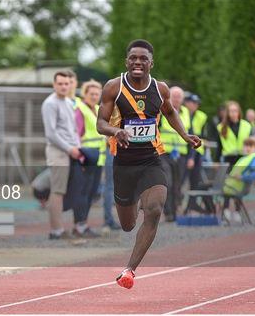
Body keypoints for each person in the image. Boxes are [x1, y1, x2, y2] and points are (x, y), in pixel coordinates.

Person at [96, 39, 201, 289]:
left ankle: (129, 270)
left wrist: (185, 135)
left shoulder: (160, 89)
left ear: (151, 63)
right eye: (133, 58)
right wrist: (115, 131)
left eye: (143, 58)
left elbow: (171, 112)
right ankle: (133, 204)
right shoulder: (114, 87)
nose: (138, 62)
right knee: (128, 224)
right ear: (126, 61)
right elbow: (100, 123)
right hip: (123, 164)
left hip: (152, 159)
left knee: (154, 209)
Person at [41, 71, 82, 240]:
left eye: (67, 83)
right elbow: (51, 133)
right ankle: (56, 230)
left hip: (71, 151)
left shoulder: (67, 102)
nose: (64, 86)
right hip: (59, 152)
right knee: (57, 191)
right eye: (60, 83)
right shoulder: (50, 103)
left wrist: (78, 147)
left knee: (65, 190)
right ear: (54, 85)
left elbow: (71, 129)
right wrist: (69, 149)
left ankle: (62, 228)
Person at [73, 80, 106, 237]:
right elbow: (76, 134)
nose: (94, 96)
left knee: (92, 193)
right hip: (86, 157)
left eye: (97, 93)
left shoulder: (99, 109)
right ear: (84, 94)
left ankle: (83, 224)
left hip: (98, 158)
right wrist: (80, 157)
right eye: (91, 93)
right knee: (83, 192)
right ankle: (80, 225)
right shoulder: (80, 110)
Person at [158, 86, 189, 221]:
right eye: (174, 96)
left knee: (178, 184)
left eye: (179, 97)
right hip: (164, 153)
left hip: (181, 154)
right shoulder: (163, 109)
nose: (176, 99)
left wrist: (192, 156)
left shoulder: (186, 112)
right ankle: (168, 212)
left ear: (182, 99)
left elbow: (190, 132)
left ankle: (175, 212)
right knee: (168, 182)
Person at [223, 138, 255, 221]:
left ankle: (227, 212)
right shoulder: (244, 158)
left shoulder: (254, 159)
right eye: (246, 146)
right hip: (232, 186)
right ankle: (228, 211)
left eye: (250, 146)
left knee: (212, 188)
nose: (248, 148)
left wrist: (243, 177)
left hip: (239, 187)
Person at [183, 93, 208, 213]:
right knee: (181, 180)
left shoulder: (202, 116)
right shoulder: (181, 114)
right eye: (193, 103)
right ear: (186, 103)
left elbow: (203, 135)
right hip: (184, 151)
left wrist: (192, 156)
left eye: (197, 103)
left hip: (197, 151)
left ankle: (191, 204)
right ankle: (178, 205)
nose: (195, 105)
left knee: (195, 181)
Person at [217, 101, 252, 168]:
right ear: (228, 113)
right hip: (228, 158)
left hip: (243, 158)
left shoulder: (247, 125)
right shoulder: (221, 127)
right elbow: (219, 146)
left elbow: (250, 144)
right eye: (231, 111)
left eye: (235, 110)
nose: (233, 113)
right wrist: (217, 161)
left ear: (239, 112)